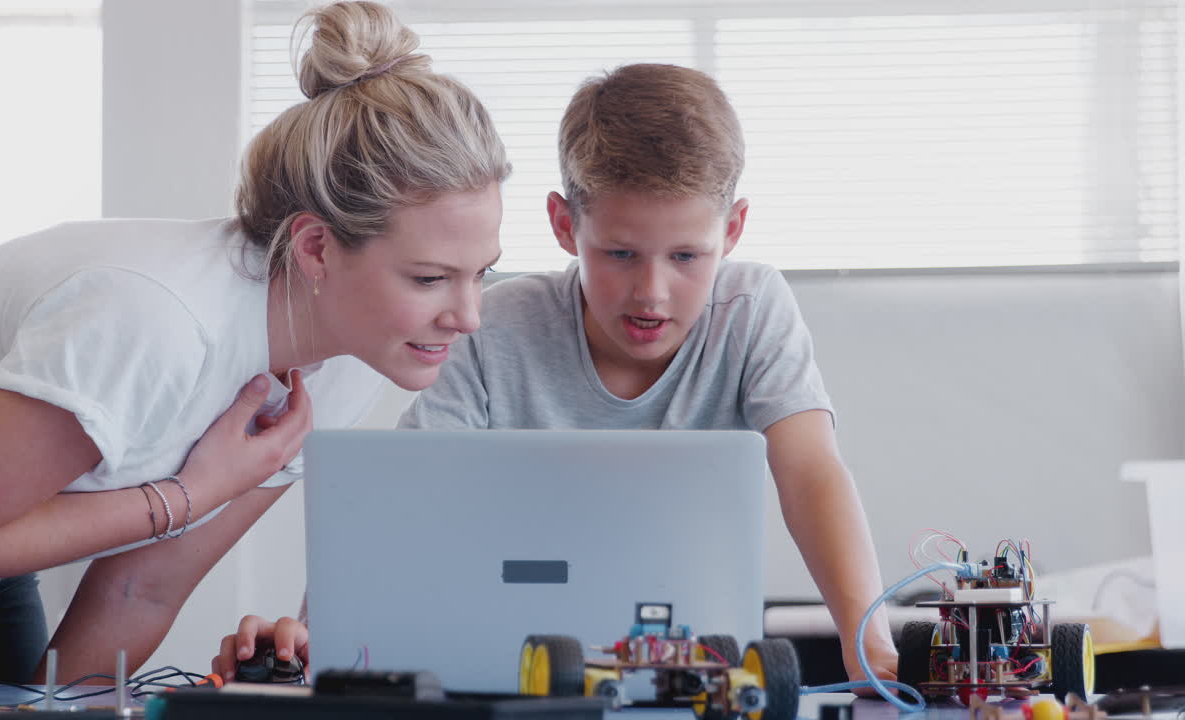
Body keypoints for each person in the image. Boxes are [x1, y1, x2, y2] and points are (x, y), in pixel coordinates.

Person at [215, 63, 897, 688]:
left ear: (735, 230)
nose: (652, 291)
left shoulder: (753, 308)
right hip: (503, 673)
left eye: (688, 255)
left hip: (686, 680)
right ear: (564, 225)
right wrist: (318, 636)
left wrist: (866, 637)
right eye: (620, 253)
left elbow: (811, 472)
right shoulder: (490, 326)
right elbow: (403, 503)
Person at [0, 0, 509, 685]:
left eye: (479, 273)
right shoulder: (151, 321)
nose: (468, 316)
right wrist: (189, 495)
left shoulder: (354, 356)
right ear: (317, 247)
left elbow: (141, 591)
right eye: (431, 278)